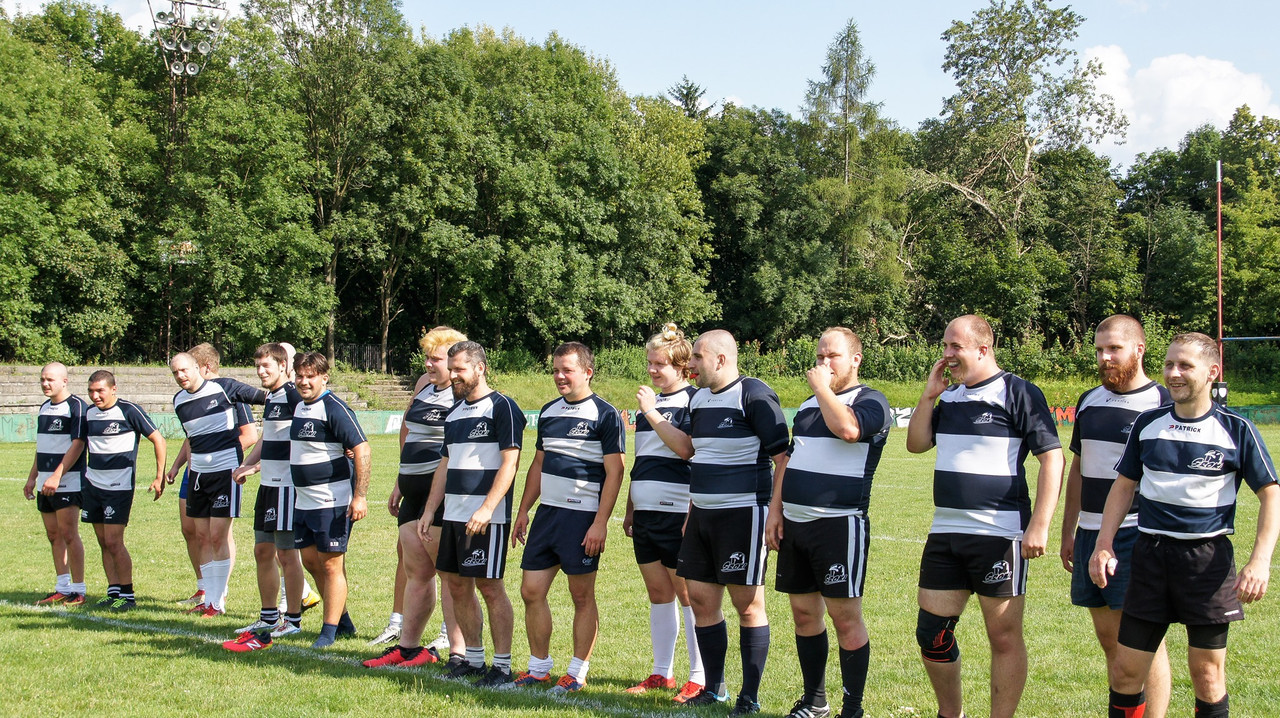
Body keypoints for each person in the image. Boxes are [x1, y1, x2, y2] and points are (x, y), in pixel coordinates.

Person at [1090, 332, 1279, 718]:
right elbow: (1123, 487)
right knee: (1126, 673)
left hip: (1206, 563)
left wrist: (1260, 561)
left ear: (1212, 372)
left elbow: (1271, 495)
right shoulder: (1149, 424)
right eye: (1170, 364)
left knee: (1207, 674)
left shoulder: (1236, 429)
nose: (1174, 374)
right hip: (1149, 558)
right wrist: (1103, 543)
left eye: (1185, 366)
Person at [904, 314, 1063, 718]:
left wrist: (1039, 524)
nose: (947, 355)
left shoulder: (1019, 392)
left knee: (1004, 638)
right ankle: (950, 714)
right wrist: (929, 396)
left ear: (982, 349)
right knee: (932, 633)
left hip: (1000, 534)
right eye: (945, 346)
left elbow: (1053, 459)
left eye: (954, 346)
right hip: (946, 534)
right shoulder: (951, 396)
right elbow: (917, 445)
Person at [765, 328, 891, 718]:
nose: (823, 363)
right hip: (795, 526)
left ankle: (853, 709)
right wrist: (776, 511)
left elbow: (849, 430)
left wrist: (823, 391)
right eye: (820, 356)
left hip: (839, 525)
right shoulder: (806, 406)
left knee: (844, 617)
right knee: (804, 614)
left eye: (832, 356)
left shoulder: (872, 400)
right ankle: (815, 701)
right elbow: (790, 459)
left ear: (855, 359)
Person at [1059, 315, 1171, 717]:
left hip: (1135, 536)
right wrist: (1069, 530)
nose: (1105, 358)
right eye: (1099, 350)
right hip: (1089, 535)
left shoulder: (1162, 403)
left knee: (1142, 646)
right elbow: (1079, 469)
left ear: (1139, 349)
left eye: (1114, 349)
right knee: (1112, 647)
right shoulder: (1089, 400)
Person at [678, 329, 789, 716]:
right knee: (702, 601)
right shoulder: (697, 400)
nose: (689, 364)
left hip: (744, 514)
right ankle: (715, 688)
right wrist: (692, 510)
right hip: (702, 517)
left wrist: (774, 512)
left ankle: (750, 695)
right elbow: (701, 456)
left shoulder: (754, 395)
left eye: (696, 356)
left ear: (720, 359)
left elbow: (782, 459)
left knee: (747, 605)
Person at [512, 342, 626, 694]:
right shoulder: (548, 412)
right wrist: (523, 509)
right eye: (556, 370)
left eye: (567, 370)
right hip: (548, 515)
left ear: (587, 372)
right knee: (531, 591)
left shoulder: (604, 414)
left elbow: (616, 472)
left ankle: (576, 672)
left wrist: (600, 522)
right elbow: (539, 464)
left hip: (582, 518)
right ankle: (539, 668)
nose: (560, 376)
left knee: (581, 596)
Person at [421, 341, 525, 686]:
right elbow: (445, 464)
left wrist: (487, 508)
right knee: (455, 585)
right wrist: (430, 509)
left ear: (480, 368)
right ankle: (474, 660)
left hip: (485, 519)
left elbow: (510, 462)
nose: (452, 376)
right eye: (451, 370)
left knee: (490, 587)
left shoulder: (502, 407)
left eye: (459, 369)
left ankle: (504, 666)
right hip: (453, 515)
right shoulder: (454, 412)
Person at [363, 326, 468, 668]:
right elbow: (408, 430)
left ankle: (458, 651)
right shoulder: (423, 386)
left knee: (449, 575)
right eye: (427, 357)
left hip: (443, 496)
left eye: (435, 359)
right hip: (412, 492)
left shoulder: (463, 392)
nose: (428, 364)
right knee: (416, 572)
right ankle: (408, 648)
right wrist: (399, 479)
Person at [623, 324, 704, 703]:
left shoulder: (694, 401)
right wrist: (630, 506)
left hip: (677, 511)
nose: (653, 370)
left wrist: (653, 413)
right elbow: (645, 459)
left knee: (687, 594)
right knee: (658, 593)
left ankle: (698, 676)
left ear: (682, 365)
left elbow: (687, 450)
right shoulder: (650, 404)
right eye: (650, 363)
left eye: (660, 364)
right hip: (646, 512)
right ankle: (661, 673)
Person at [49, 370, 167, 610]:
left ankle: (128, 594)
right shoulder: (89, 414)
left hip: (119, 486)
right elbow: (79, 444)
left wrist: (159, 476)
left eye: (100, 390)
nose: (95, 396)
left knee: (114, 541)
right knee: (103, 541)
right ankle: (113, 591)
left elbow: (158, 439)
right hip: (93, 484)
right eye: (91, 391)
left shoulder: (128, 410)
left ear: (113, 389)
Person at [223, 343, 311, 651]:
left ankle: (294, 620)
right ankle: (269, 616)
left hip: (287, 486)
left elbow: (300, 438)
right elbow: (269, 436)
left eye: (267, 366)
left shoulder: (291, 394)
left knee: (287, 555)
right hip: (268, 488)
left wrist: (257, 466)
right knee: (263, 551)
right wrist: (248, 463)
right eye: (258, 366)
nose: (261, 372)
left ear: (283, 366)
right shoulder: (272, 397)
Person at [167, 350, 266, 617]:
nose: (180, 376)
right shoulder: (179, 401)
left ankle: (218, 602)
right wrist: (179, 466)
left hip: (225, 473)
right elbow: (192, 437)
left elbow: (265, 397)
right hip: (198, 475)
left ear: (199, 368)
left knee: (217, 536)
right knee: (201, 537)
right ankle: (208, 599)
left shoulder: (224, 388)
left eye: (184, 370)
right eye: (175, 372)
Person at [289, 351, 372, 649]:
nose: (304, 381)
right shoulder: (299, 407)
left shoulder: (334, 407)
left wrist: (359, 497)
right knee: (311, 561)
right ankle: (344, 621)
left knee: (331, 566)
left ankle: (328, 631)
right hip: (303, 501)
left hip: (332, 500)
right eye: (300, 375)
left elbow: (361, 449)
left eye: (310, 376)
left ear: (324, 377)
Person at [26, 362, 88, 605]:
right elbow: (42, 446)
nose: (45, 383)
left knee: (69, 534)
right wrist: (33, 477)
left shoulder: (77, 407)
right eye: (43, 379)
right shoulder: (44, 407)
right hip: (45, 482)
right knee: (53, 535)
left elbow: (78, 444)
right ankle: (62, 586)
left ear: (65, 381)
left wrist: (57, 475)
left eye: (50, 379)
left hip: (68, 482)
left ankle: (79, 590)